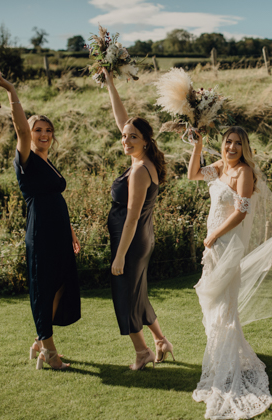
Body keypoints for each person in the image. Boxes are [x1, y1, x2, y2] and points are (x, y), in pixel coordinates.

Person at [0, 72, 81, 370]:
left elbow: (56, 199)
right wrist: (9, 89)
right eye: (37, 129)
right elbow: (21, 131)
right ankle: (49, 352)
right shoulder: (25, 157)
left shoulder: (46, 161)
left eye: (48, 130)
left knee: (60, 285)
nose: (43, 134)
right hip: (40, 230)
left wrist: (70, 231)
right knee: (44, 287)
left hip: (58, 230)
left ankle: (41, 342)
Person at [188, 127, 272, 419]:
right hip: (213, 244)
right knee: (213, 303)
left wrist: (215, 235)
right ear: (222, 145)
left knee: (225, 304)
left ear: (245, 147)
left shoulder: (243, 173)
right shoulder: (219, 168)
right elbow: (192, 175)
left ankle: (227, 368)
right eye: (229, 142)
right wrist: (198, 145)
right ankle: (222, 357)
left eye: (239, 144)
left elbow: (242, 211)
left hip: (226, 243)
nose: (233, 147)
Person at [103, 68, 173, 370]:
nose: (126, 140)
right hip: (140, 238)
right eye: (124, 136)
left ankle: (142, 351)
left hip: (130, 241)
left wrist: (119, 256)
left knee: (124, 297)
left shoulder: (139, 171)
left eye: (132, 137)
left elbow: (131, 218)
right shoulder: (142, 160)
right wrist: (109, 83)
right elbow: (123, 120)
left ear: (145, 140)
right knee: (138, 293)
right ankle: (160, 341)